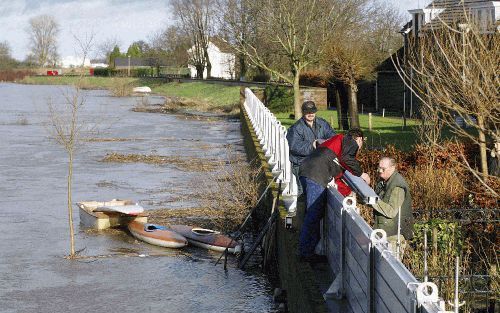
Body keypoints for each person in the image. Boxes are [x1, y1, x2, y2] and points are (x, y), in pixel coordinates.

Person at [298, 128, 370, 262]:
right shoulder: (349, 141)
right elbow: (347, 159)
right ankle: (305, 253)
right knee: (313, 213)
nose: (359, 148)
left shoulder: (338, 144)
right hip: (316, 174)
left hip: (307, 170)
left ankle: (307, 249)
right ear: (359, 139)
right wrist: (361, 174)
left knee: (314, 213)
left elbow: (337, 176)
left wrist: (347, 191)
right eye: (361, 143)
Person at [286, 101, 335, 194]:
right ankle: (300, 207)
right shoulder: (296, 128)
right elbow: (294, 146)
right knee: (304, 192)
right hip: (302, 164)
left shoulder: (323, 124)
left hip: (320, 163)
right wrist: (312, 145)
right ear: (303, 112)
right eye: (307, 112)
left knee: (323, 190)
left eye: (312, 111)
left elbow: (333, 137)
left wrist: (326, 143)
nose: (310, 114)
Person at [371, 157, 413, 258]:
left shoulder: (397, 186)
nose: (380, 171)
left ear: (392, 168)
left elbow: (391, 211)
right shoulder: (383, 181)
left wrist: (373, 201)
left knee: (391, 269)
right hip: (383, 232)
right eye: (378, 168)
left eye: (383, 169)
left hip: (393, 236)